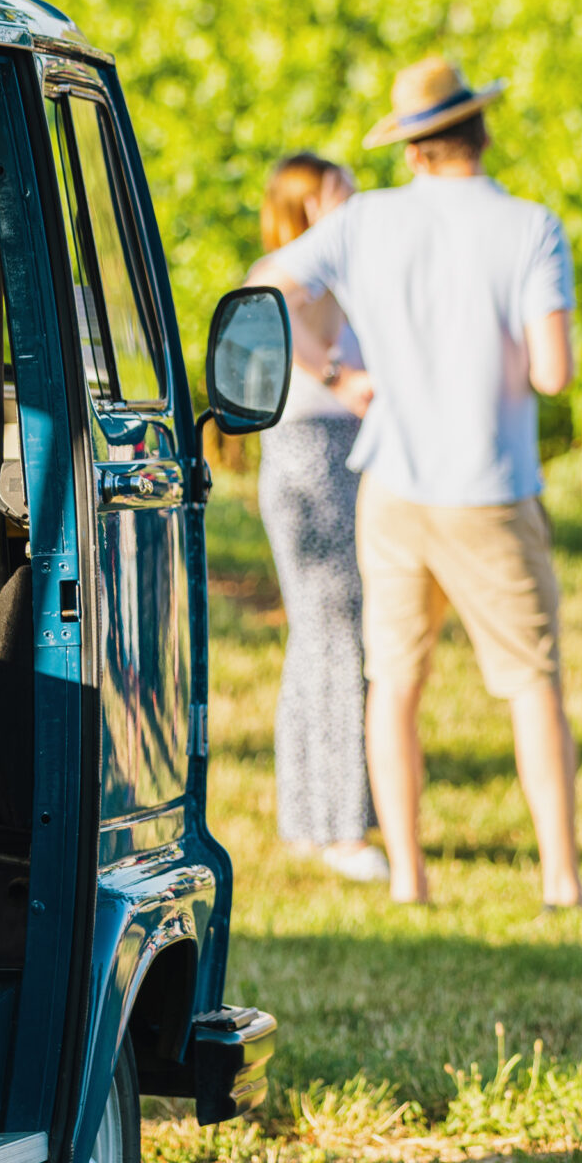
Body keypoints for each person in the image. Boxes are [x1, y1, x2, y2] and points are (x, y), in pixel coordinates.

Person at [249, 55, 582, 910]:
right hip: (489, 483)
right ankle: (561, 878)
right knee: (530, 680)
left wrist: (334, 367)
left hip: (391, 483)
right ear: (481, 128)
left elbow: (265, 283)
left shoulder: (365, 223)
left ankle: (409, 874)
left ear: (411, 149)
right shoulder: (531, 225)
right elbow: (553, 371)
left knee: (395, 681)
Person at [250, 153, 387, 883]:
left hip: (326, 455)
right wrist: (337, 374)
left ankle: (308, 814)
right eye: (344, 193)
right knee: (338, 634)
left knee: (318, 637)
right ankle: (341, 826)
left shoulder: (335, 279)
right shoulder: (284, 272)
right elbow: (262, 295)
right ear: (310, 206)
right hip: (314, 454)